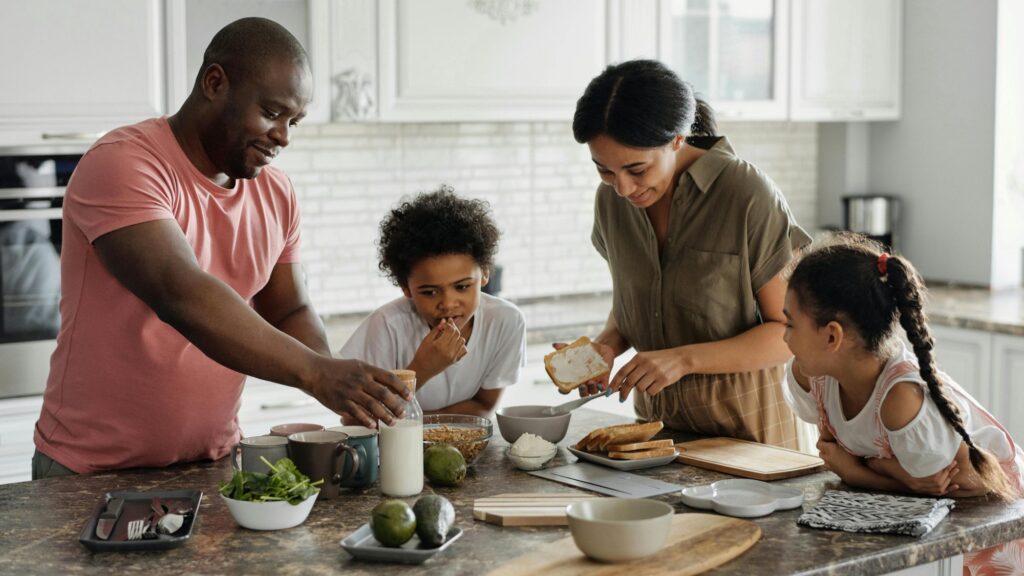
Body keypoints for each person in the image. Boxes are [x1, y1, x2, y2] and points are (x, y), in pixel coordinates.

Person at [32, 17, 410, 479]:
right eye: (272, 113)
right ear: (214, 82)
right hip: (90, 470)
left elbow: (289, 308)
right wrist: (317, 373)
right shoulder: (123, 163)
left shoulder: (276, 192)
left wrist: (339, 385)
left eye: (294, 121)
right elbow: (180, 293)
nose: (284, 136)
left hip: (212, 463)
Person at [570, 59, 811, 448]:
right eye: (605, 171)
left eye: (637, 170)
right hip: (656, 438)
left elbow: (789, 333)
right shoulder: (611, 203)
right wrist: (607, 346)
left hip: (751, 439)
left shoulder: (745, 193)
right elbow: (640, 302)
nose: (623, 189)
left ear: (678, 139)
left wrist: (682, 360)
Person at [782, 234, 1023, 574]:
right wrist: (888, 471)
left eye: (790, 323)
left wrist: (858, 471)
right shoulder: (815, 376)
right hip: (930, 519)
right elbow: (914, 482)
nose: (784, 336)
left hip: (993, 523)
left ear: (832, 336)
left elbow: (954, 486)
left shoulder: (900, 399)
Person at [339, 187, 526, 417]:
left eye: (462, 287)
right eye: (429, 292)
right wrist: (422, 369)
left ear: (485, 273)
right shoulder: (387, 326)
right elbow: (353, 419)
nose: (447, 303)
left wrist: (424, 427)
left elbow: (484, 406)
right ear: (406, 287)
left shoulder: (506, 321)